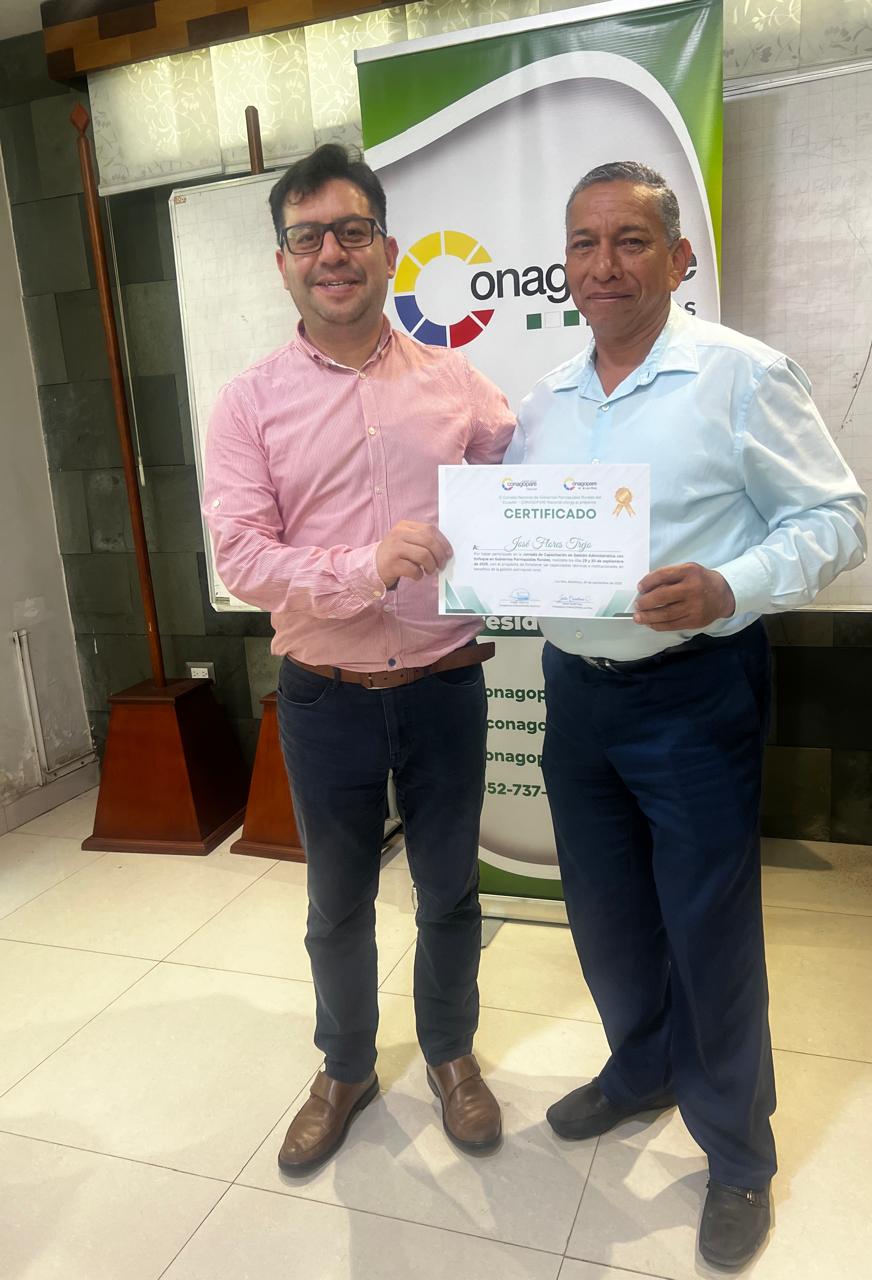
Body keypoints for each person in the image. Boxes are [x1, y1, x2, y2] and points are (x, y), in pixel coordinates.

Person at [507, 161, 867, 1268]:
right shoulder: (546, 399)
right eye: (584, 244)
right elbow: (522, 534)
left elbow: (835, 519)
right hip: (575, 694)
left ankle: (738, 1156)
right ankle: (641, 1067)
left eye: (629, 241)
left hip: (693, 691)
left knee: (709, 931)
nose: (603, 265)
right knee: (607, 915)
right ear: (564, 264)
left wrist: (728, 585)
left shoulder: (741, 375)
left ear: (679, 258)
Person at [202, 144, 515, 1173]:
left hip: (444, 685)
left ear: (388, 248)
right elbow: (242, 557)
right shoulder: (249, 403)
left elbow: (514, 482)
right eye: (308, 237)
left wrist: (538, 538)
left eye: (351, 231)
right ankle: (344, 1067)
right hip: (324, 695)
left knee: (450, 891)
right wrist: (364, 568)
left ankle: (451, 1053)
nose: (331, 253)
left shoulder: (459, 383)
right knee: (336, 903)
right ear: (282, 263)